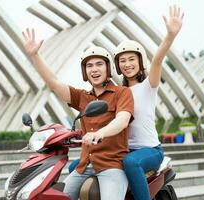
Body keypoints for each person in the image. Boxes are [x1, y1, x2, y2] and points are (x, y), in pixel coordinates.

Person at [68, 5, 184, 200]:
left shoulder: (148, 85)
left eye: (132, 59)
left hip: (148, 149)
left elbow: (157, 61)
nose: (127, 64)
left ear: (140, 62)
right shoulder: (116, 92)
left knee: (131, 163)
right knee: (75, 166)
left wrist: (170, 36)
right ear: (117, 66)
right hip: (121, 150)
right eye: (122, 60)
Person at [22, 28, 134, 200]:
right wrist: (35, 56)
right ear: (85, 71)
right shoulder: (82, 97)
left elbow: (122, 120)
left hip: (112, 165)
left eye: (99, 64)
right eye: (89, 65)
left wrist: (99, 133)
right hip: (84, 166)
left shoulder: (122, 92)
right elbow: (54, 83)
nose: (94, 69)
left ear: (108, 68)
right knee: (59, 197)